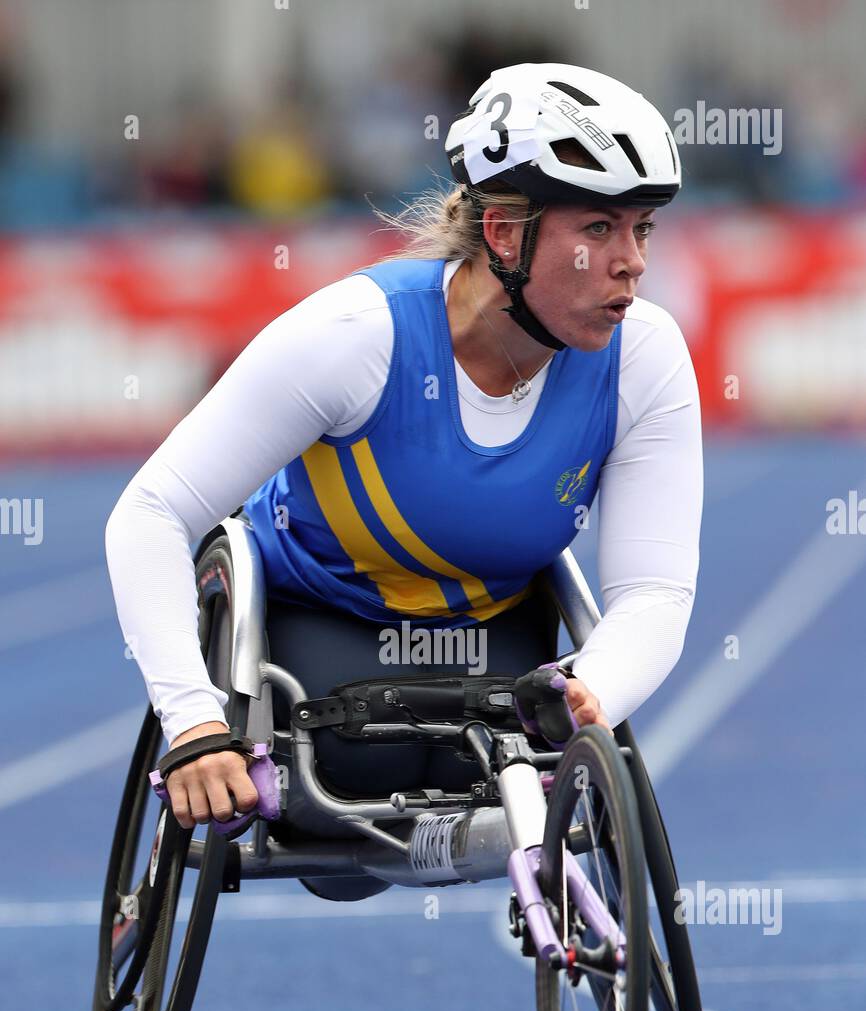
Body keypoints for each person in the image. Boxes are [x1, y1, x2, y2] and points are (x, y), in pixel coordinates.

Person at [105, 62, 702, 899]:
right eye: (599, 229)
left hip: (498, 654)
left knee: (536, 794)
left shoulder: (646, 356)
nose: (633, 264)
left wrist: (591, 690)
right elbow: (151, 512)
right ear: (504, 234)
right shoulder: (354, 337)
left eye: (643, 230)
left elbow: (656, 591)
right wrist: (195, 724)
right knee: (342, 841)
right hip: (322, 637)